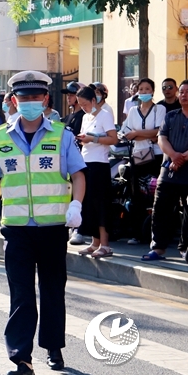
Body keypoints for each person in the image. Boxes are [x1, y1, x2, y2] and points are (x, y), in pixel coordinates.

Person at [0, 70, 85, 375]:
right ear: (13, 101)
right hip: (17, 229)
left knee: (52, 290)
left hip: (52, 227)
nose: (29, 103)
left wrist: (76, 205)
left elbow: (79, 174)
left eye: (35, 98)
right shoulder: (0, 137)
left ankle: (53, 346)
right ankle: (21, 360)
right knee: (21, 295)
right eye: (23, 98)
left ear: (45, 100)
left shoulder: (62, 135)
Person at [147, 80, 188, 261]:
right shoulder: (171, 116)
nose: (183, 95)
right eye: (182, 91)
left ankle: (185, 247)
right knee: (160, 209)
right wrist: (173, 156)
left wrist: (180, 158)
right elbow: (162, 138)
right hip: (168, 171)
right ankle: (158, 248)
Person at [120, 78, 166, 244]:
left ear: (153, 91)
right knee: (136, 195)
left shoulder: (159, 109)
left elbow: (160, 131)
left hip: (156, 156)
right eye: (141, 89)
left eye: (147, 89)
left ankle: (156, 234)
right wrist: (148, 134)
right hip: (138, 156)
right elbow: (126, 132)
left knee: (155, 195)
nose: (144, 92)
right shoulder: (132, 111)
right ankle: (137, 234)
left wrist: (137, 133)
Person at [74, 86, 117, 258]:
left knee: (101, 204)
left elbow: (113, 138)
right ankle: (95, 242)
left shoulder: (105, 115)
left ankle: (105, 244)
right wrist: (84, 139)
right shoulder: (85, 117)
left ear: (94, 100)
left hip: (100, 163)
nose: (83, 107)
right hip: (86, 161)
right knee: (90, 204)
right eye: (80, 105)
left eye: (85, 103)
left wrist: (94, 138)